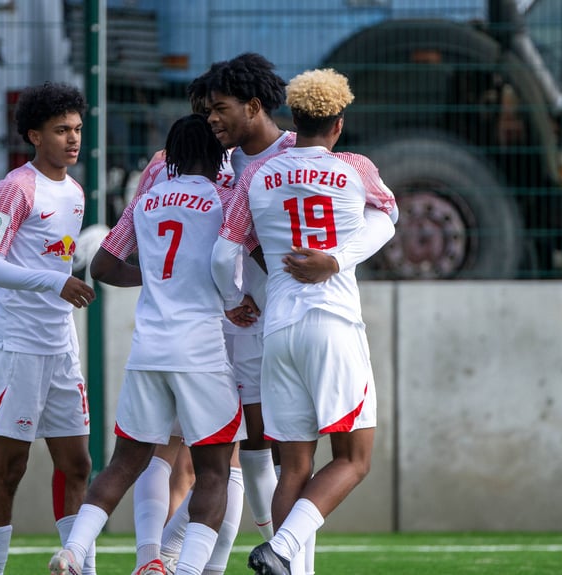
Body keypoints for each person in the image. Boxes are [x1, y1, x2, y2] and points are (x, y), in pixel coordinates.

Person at [211, 68, 399, 575]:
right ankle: (279, 549)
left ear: (294, 119)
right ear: (338, 125)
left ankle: (286, 560)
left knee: (292, 467)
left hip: (278, 329)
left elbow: (223, 253)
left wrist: (232, 300)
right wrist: (336, 260)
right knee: (354, 459)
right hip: (333, 325)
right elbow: (388, 215)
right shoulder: (355, 167)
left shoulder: (255, 176)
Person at [49, 113, 247, 575]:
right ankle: (186, 570)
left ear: (172, 157)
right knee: (215, 471)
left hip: (147, 351)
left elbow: (101, 265)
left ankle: (73, 551)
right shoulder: (226, 199)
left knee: (123, 464)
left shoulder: (148, 201)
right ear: (218, 154)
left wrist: (155, 277)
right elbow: (230, 258)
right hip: (200, 351)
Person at [0, 81, 97, 575]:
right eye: (61, 129)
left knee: (78, 465)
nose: (72, 138)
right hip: (15, 346)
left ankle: (77, 566)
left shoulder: (76, 191)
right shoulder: (16, 187)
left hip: (60, 345)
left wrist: (63, 283)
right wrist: (53, 281)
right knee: (9, 469)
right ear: (34, 135)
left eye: (78, 129)